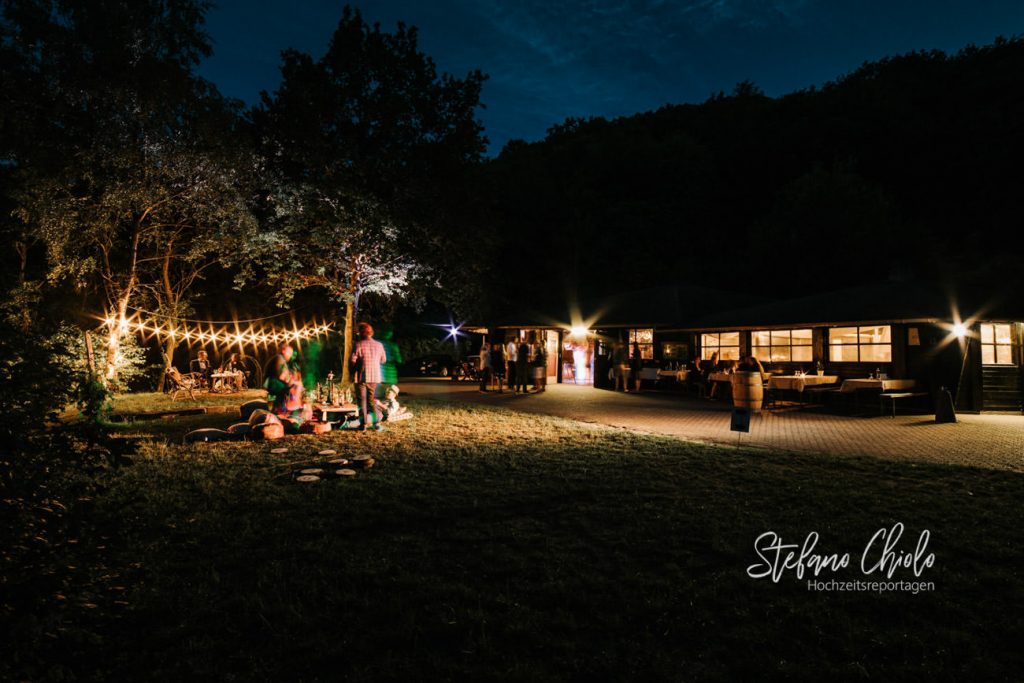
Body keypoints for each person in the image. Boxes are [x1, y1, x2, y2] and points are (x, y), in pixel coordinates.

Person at [351, 322, 387, 432]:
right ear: (371, 332)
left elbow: (352, 360)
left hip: (361, 376)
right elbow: (383, 360)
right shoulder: (379, 345)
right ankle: (377, 423)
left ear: (361, 333)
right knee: (371, 400)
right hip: (375, 377)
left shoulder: (358, 344)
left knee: (362, 401)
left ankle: (363, 425)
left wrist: (355, 367)